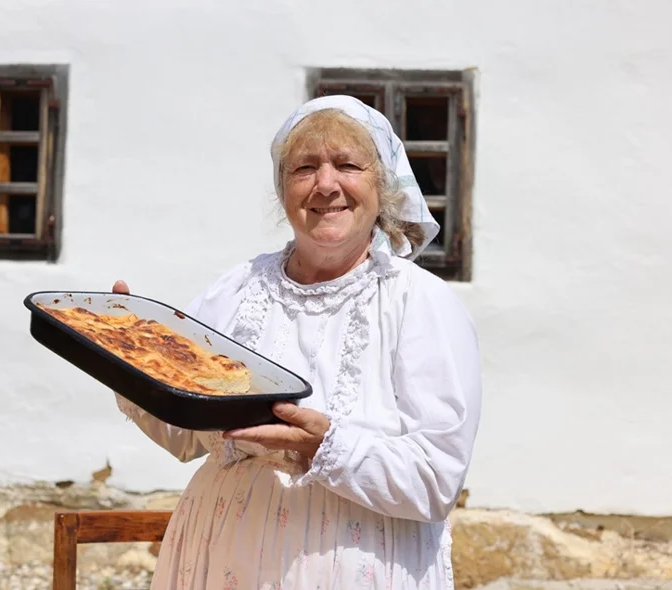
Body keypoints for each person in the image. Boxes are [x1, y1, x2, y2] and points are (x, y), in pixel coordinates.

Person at [111, 95, 482, 589]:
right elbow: (184, 436)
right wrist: (130, 360)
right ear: (283, 188)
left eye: (347, 165)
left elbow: (437, 481)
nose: (326, 184)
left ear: (383, 186)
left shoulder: (420, 303)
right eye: (304, 168)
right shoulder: (238, 289)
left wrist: (326, 448)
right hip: (222, 557)